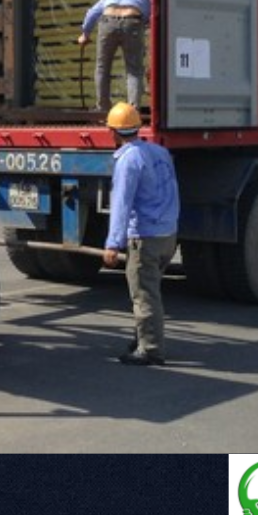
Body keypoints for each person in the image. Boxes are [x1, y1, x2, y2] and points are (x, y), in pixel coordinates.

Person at [103, 102, 179, 366]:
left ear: (113, 132)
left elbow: (121, 204)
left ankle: (151, 349)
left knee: (144, 295)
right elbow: (172, 189)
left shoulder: (128, 160)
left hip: (145, 237)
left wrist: (113, 244)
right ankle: (142, 338)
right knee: (151, 290)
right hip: (167, 234)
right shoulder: (160, 152)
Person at [77, 0, 151, 111]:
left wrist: (85, 34)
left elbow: (92, 13)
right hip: (132, 21)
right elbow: (153, 16)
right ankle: (133, 111)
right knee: (134, 70)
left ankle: (103, 108)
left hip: (108, 21)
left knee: (102, 68)